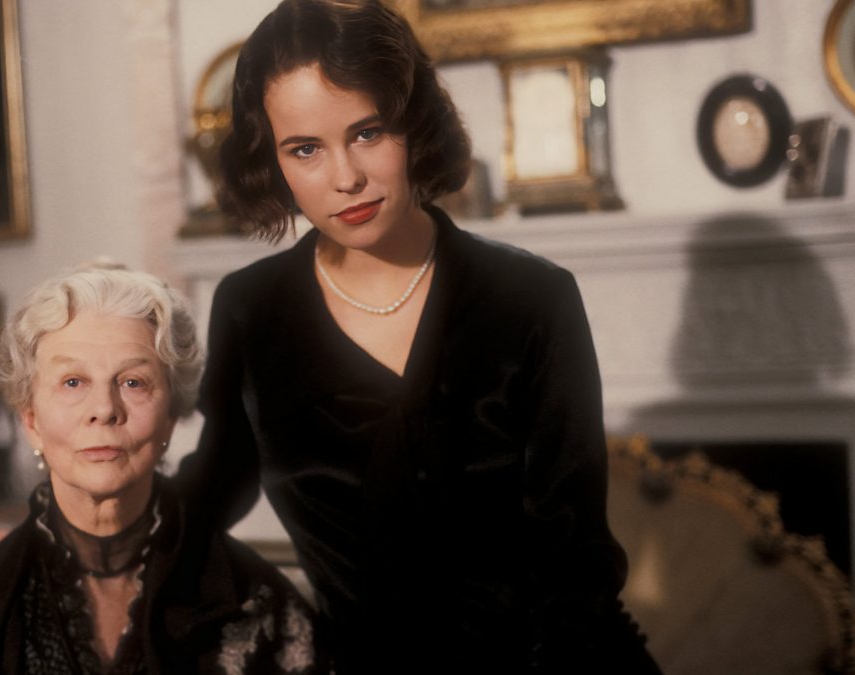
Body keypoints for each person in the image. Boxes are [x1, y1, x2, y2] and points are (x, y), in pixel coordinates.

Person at [173, 0, 662, 672]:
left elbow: (575, 564)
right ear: (272, 160)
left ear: (415, 124)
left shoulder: (532, 298)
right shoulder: (250, 310)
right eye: (305, 149)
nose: (345, 177)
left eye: (368, 132)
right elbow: (209, 493)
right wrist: (83, 517)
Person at [0, 264, 324, 674]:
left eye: (133, 382)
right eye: (72, 382)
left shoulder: (258, 605)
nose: (104, 409)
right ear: (31, 421)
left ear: (170, 418)